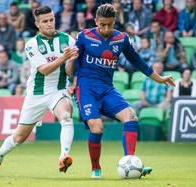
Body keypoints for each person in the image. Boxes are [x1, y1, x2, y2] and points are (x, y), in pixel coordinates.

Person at [72, 4, 175, 179]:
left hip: (107, 89)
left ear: (115, 22)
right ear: (96, 21)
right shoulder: (84, 37)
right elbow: (74, 62)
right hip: (87, 89)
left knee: (132, 118)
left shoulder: (121, 39)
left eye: (109, 25)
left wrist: (159, 78)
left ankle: (131, 162)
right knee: (97, 129)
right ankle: (96, 168)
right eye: (102, 24)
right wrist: (72, 82)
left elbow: (137, 61)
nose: (106, 29)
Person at [0, 6, 79, 176]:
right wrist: (64, 57)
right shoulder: (32, 45)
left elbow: (70, 72)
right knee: (19, 138)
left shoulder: (68, 40)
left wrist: (71, 60)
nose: (50, 24)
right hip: (37, 93)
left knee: (66, 115)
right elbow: (44, 70)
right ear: (37, 24)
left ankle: (64, 156)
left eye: (51, 20)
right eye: (45, 21)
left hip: (58, 89)